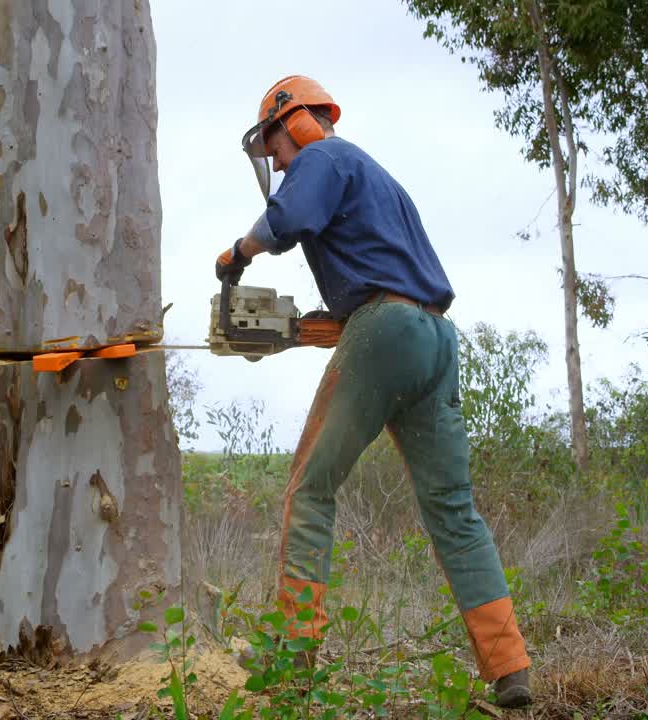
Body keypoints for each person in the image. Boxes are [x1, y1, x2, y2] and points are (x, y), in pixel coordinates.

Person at [215, 75, 532, 708]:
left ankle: (293, 663)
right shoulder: (378, 179)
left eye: (277, 150)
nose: (281, 164)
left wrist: (237, 254)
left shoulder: (324, 157)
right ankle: (510, 668)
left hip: (385, 332)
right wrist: (317, 326)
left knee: (310, 489)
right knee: (454, 509)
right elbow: (385, 283)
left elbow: (287, 221)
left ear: (297, 122)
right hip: (435, 338)